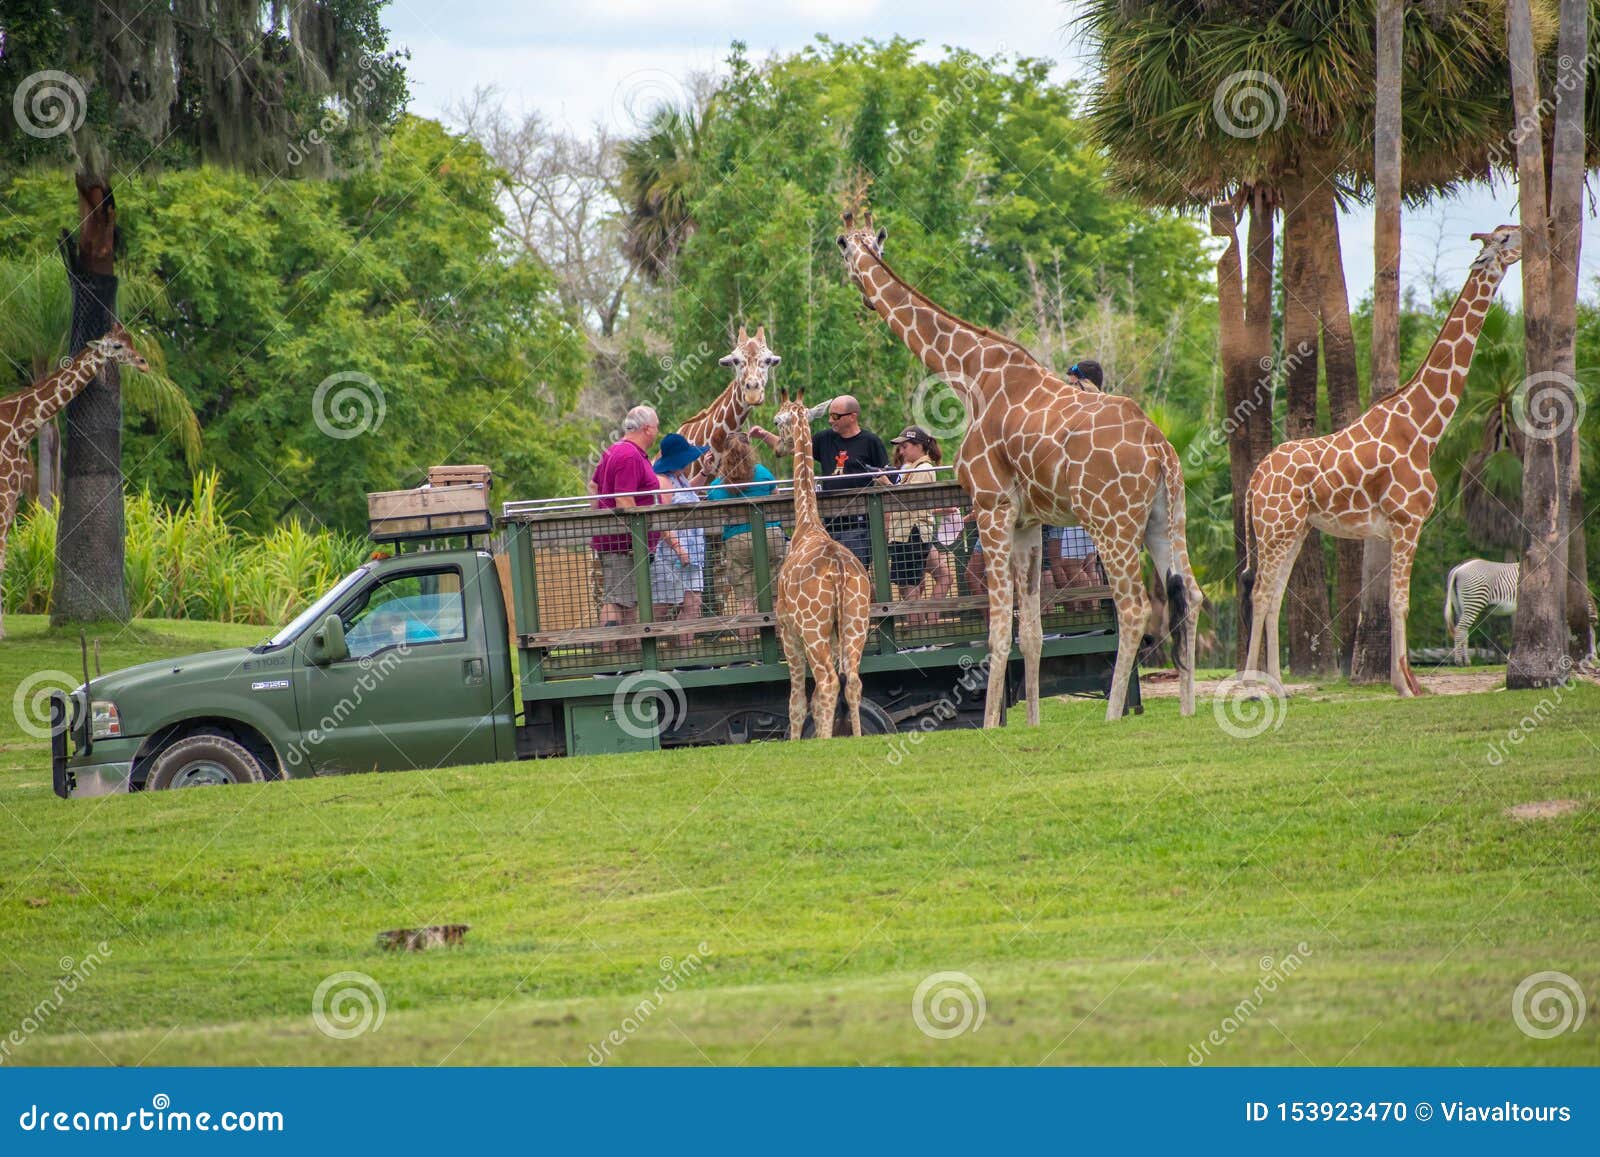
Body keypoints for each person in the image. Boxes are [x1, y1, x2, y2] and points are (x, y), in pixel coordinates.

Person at [755, 393, 886, 566]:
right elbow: (791, 448)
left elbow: (886, 477)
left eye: (835, 416)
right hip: (828, 524)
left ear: (853, 416)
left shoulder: (870, 442)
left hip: (858, 525)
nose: (831, 421)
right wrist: (764, 435)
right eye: (830, 416)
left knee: (854, 576)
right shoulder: (825, 439)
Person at [591, 405, 686, 637]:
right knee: (616, 600)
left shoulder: (615, 451)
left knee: (627, 602)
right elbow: (624, 500)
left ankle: (626, 659)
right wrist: (640, 540)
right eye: (656, 427)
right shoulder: (629, 455)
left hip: (620, 542)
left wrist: (597, 519)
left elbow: (593, 487)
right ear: (647, 429)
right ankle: (609, 665)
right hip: (623, 545)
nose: (657, 432)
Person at [707, 431, 787, 640]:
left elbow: (713, 500)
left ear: (725, 453)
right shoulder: (762, 472)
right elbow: (775, 496)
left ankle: (747, 652)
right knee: (777, 596)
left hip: (738, 539)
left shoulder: (719, 484)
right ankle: (782, 646)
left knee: (745, 600)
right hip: (770, 535)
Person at [881, 426, 952, 624]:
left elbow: (908, 501)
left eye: (905, 446)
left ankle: (921, 634)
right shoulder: (913, 468)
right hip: (912, 534)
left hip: (910, 535)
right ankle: (928, 628)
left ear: (918, 446)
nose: (900, 452)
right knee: (941, 577)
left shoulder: (923, 469)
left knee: (908, 587)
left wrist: (886, 484)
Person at [650, 432, 710, 643]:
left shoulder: (679, 477)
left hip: (693, 553)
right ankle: (647, 657)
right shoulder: (661, 481)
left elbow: (688, 492)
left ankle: (686, 658)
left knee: (693, 603)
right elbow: (661, 518)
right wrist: (678, 548)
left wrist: (705, 472)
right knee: (662, 607)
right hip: (671, 555)